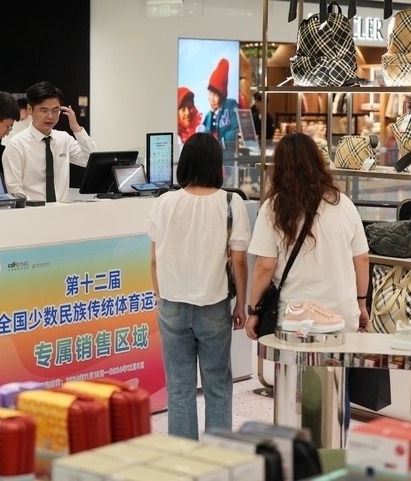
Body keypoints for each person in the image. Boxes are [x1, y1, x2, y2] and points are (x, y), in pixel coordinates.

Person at [147, 132, 251, 439]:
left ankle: (183, 458)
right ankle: (218, 456)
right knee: (217, 385)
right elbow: (239, 261)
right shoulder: (231, 202)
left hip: (172, 305)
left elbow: (154, 259)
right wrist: (241, 304)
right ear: (217, 165)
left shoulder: (165, 202)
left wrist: (159, 295)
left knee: (179, 388)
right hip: (214, 305)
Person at [244, 132, 370, 340]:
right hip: (341, 315)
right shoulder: (343, 204)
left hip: (294, 317)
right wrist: (361, 304)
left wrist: (254, 311)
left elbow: (265, 266)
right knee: (338, 361)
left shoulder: (273, 208)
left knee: (293, 362)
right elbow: (362, 258)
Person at [3, 81, 97, 202]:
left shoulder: (64, 139)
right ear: (30, 109)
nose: (50, 116)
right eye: (44, 110)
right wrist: (38, 209)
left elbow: (89, 160)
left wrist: (77, 129)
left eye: (55, 110)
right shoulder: (16, 145)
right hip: (32, 211)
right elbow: (14, 189)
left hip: (62, 209)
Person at [201, 58, 239, 149]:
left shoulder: (231, 105)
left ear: (222, 95)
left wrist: (221, 141)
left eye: (215, 94)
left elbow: (236, 130)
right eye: (210, 93)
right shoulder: (208, 115)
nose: (211, 99)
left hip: (227, 155)